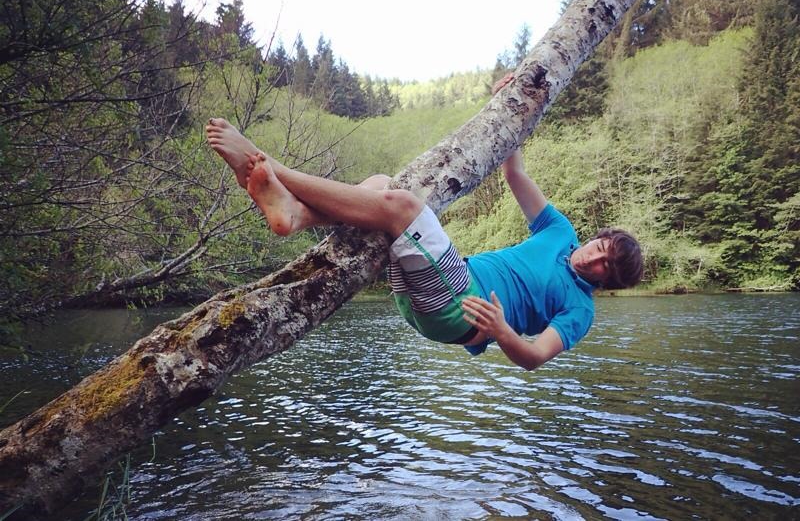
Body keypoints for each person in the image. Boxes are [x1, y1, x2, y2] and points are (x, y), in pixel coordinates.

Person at [205, 74, 643, 370]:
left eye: (605, 268)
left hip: (462, 311)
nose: (594, 260)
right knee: (380, 184)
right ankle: (297, 214)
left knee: (403, 206)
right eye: (600, 249)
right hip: (430, 295)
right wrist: (508, 108)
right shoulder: (560, 232)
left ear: (608, 282)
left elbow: (534, 357)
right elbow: (515, 175)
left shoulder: (580, 310)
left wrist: (502, 330)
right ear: (597, 238)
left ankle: (275, 169)